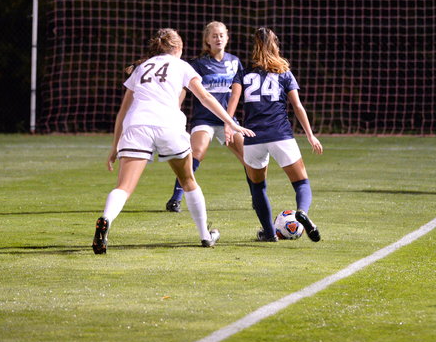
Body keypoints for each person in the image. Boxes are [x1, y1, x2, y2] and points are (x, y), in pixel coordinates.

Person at [92, 28, 254, 254]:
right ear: (178, 47)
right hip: (168, 124)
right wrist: (231, 122)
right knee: (188, 181)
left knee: (124, 187)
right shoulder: (182, 65)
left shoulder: (141, 67)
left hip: (136, 125)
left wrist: (114, 147)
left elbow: (122, 112)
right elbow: (205, 97)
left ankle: (106, 219)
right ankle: (205, 236)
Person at [227, 27, 323, 242]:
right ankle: (302, 212)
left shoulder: (243, 73)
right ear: (275, 46)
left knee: (258, 187)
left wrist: (229, 125)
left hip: (252, 138)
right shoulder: (284, 72)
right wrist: (310, 135)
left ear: (254, 46)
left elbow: (233, 100)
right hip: (280, 135)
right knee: (301, 183)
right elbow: (297, 106)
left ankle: (269, 234)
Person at [164, 21, 248, 213]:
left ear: (227, 37)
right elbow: (184, 89)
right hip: (204, 119)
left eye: (221, 35)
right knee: (197, 152)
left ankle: (257, 197)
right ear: (207, 39)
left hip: (228, 119)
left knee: (249, 157)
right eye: (214, 35)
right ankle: (176, 199)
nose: (218, 38)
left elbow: (237, 93)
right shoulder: (198, 64)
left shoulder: (235, 62)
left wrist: (229, 121)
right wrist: (174, 109)